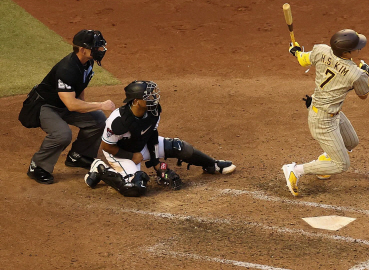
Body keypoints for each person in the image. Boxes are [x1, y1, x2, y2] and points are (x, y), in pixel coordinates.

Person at [84, 80, 236, 197]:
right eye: (147, 96)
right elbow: (107, 147)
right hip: (120, 153)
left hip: (141, 145)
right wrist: (131, 156)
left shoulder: (153, 111)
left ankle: (212, 165)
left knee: (179, 147)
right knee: (136, 187)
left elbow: (152, 136)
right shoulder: (118, 121)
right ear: (136, 101)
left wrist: (157, 164)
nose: (153, 99)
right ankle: (100, 169)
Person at [282, 29, 369, 196]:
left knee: (351, 142)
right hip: (322, 120)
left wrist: (295, 51)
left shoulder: (322, 50)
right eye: (356, 47)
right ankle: (295, 170)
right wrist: (366, 72)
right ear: (346, 52)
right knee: (342, 165)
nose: (359, 49)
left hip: (330, 112)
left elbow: (303, 60)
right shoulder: (356, 74)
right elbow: (363, 95)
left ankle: (323, 165)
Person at [26, 29, 116, 184]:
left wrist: (88, 107)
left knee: (98, 119)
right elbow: (72, 104)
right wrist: (101, 104)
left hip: (64, 104)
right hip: (45, 106)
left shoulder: (87, 62)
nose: (99, 50)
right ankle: (37, 167)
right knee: (62, 134)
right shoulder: (66, 69)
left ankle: (78, 156)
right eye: (95, 47)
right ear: (82, 49)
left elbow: (79, 88)